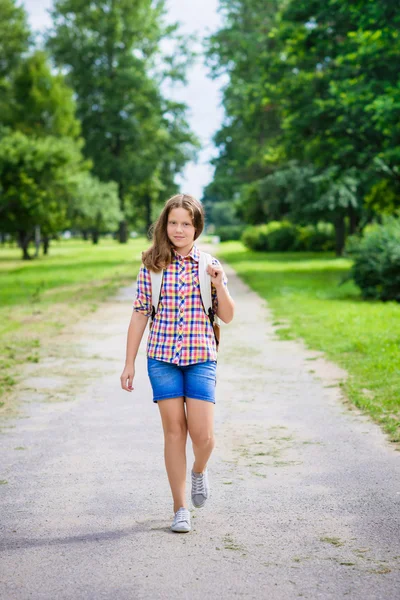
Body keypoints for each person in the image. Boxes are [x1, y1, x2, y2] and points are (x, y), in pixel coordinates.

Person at [120, 193, 234, 533]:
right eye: (173, 223)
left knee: (203, 436)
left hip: (201, 357)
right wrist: (130, 363)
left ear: (197, 227)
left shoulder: (209, 265)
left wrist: (219, 284)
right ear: (164, 225)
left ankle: (199, 470)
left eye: (186, 223)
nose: (179, 229)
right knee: (174, 432)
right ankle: (180, 508)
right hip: (162, 358)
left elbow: (226, 316)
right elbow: (140, 314)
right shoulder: (152, 265)